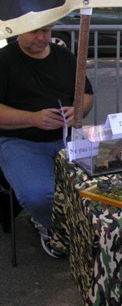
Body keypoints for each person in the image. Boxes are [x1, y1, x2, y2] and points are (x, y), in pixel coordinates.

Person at [0, 24, 93, 257]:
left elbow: (87, 94)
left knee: (101, 184)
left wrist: (78, 110)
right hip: (20, 141)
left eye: (47, 31)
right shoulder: (4, 59)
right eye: (34, 32)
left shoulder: (64, 56)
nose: (41, 38)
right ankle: (55, 228)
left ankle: (82, 230)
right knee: (39, 193)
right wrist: (33, 118)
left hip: (67, 139)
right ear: (19, 30)